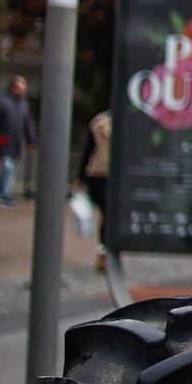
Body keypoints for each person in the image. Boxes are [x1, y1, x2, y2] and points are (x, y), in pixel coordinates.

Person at [0, 75, 36, 208]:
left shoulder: (23, 104)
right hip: (3, 141)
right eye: (21, 85)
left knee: (8, 168)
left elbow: (27, 123)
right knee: (6, 167)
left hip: (16, 142)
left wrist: (31, 140)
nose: (23, 88)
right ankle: (5, 194)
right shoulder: (2, 101)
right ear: (14, 86)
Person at [78, 110, 112, 270]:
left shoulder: (97, 123)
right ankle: (105, 253)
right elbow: (88, 150)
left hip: (97, 173)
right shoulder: (124, 124)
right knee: (108, 213)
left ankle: (105, 252)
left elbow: (87, 151)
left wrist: (80, 176)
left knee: (107, 214)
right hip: (105, 174)